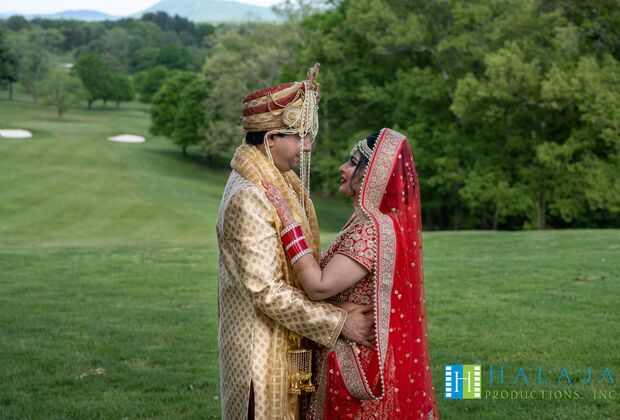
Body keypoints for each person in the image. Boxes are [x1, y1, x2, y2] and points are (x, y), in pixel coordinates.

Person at [216, 64, 374, 420]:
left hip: (289, 341)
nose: (307, 147)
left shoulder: (278, 176)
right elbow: (267, 291)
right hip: (262, 354)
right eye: (300, 136)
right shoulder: (251, 195)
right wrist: (339, 323)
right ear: (271, 138)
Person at [263, 128, 440, 419]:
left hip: (351, 361)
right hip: (343, 346)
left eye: (353, 163)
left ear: (373, 175)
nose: (342, 168)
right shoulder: (363, 221)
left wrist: (288, 222)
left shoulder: (371, 230)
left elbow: (318, 286)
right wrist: (342, 310)